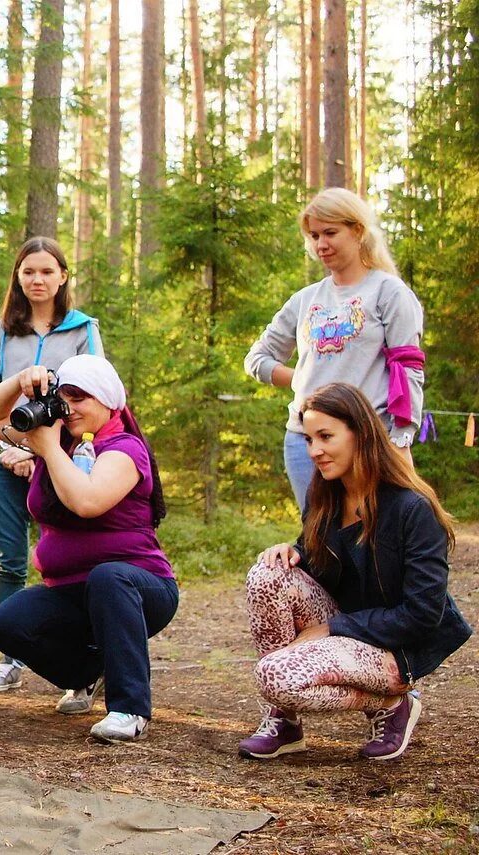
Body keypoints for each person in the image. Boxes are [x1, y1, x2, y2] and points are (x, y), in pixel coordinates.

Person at [238, 382, 471, 762]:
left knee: (276, 675)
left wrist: (331, 628)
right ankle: (286, 720)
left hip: (396, 648)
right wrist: (293, 552)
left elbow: (423, 614)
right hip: (350, 631)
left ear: (360, 432)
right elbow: (327, 564)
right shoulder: (326, 497)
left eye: (325, 436)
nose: (314, 451)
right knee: (267, 573)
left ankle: (393, 704)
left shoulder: (412, 508)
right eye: (309, 439)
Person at [0, 354, 177, 743]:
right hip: (72, 593)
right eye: (63, 398)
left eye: (80, 397)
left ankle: (129, 709)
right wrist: (22, 381)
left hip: (140, 589)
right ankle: (87, 673)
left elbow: (87, 502)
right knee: (5, 623)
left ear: (107, 401)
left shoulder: (124, 449)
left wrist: (47, 450)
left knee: (109, 576)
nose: (69, 409)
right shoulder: (57, 440)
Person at [0, 237, 103, 697]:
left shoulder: (84, 329)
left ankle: (80, 667)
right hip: (3, 458)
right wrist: (10, 447)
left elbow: (99, 397)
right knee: (9, 561)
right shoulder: (0, 331)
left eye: (47, 271)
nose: (37, 280)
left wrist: (46, 453)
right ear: (18, 277)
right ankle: (9, 658)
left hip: (63, 463)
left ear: (63, 276)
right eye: (29, 271)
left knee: (69, 562)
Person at [245, 187, 425, 512]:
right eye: (314, 235)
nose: (321, 244)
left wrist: (401, 437)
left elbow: (408, 368)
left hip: (370, 440)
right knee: (320, 542)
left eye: (330, 232)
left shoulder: (389, 292)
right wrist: (302, 378)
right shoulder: (305, 300)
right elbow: (257, 359)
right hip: (305, 442)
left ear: (357, 230)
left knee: (376, 540)